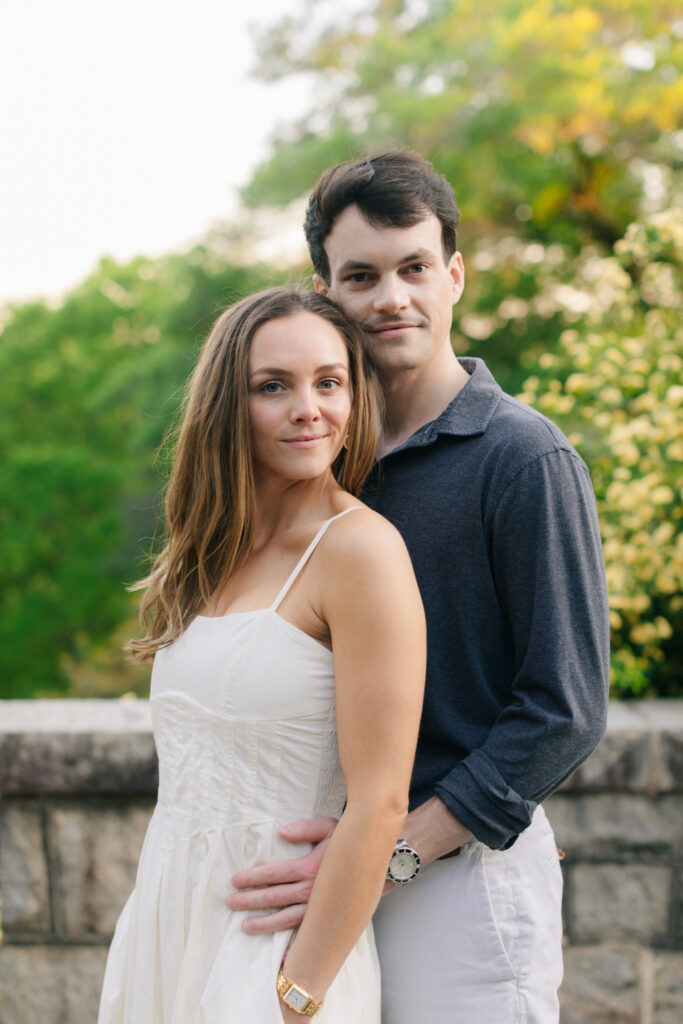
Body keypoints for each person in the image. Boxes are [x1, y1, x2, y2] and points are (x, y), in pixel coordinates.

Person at [226, 152, 611, 1023]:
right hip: (328, 880)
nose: (390, 297)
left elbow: (564, 708)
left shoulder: (524, 459)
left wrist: (393, 854)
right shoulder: (323, 457)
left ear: (454, 276)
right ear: (323, 288)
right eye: (360, 276)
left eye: (414, 268)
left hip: (458, 887)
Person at [97, 287, 426, 1022]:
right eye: (272, 386)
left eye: (328, 381)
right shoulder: (211, 549)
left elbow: (380, 802)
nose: (308, 407)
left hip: (273, 955)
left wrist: (296, 994)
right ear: (226, 406)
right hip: (170, 921)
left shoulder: (361, 552)